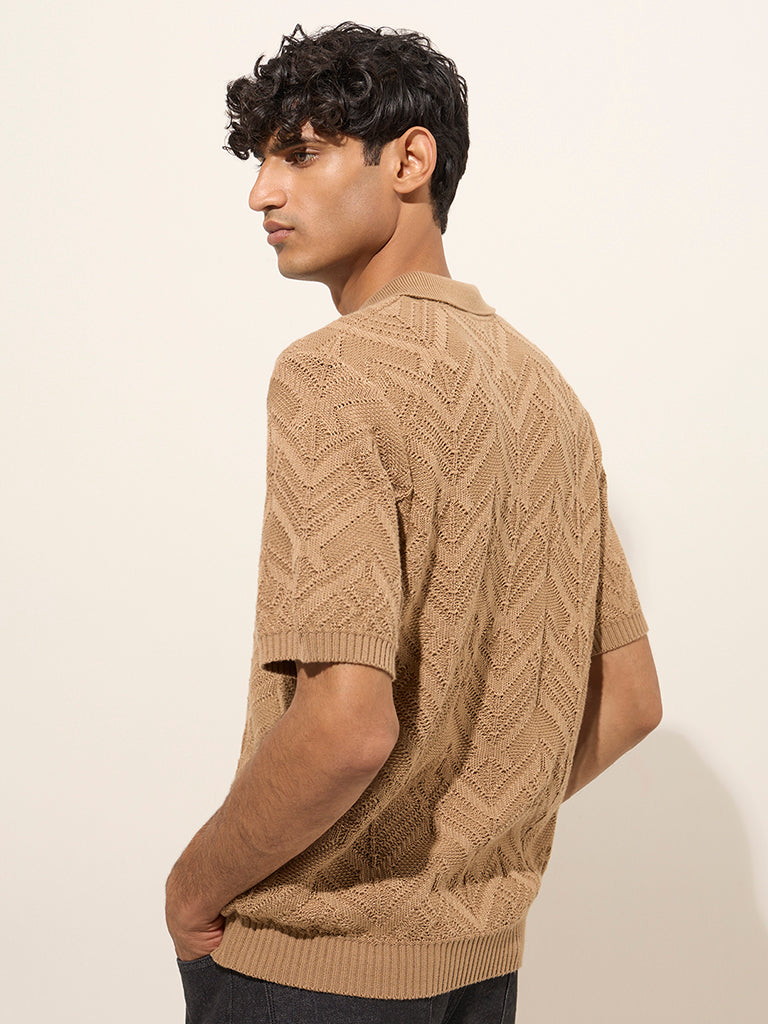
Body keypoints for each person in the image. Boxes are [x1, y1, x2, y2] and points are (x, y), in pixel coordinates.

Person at [165, 21, 662, 1024]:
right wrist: (464, 826)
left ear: (410, 159)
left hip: (313, 974)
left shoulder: (331, 373)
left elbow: (346, 726)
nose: (262, 194)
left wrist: (191, 886)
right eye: (262, 162)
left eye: (300, 154)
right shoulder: (547, 394)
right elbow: (629, 700)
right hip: (479, 970)